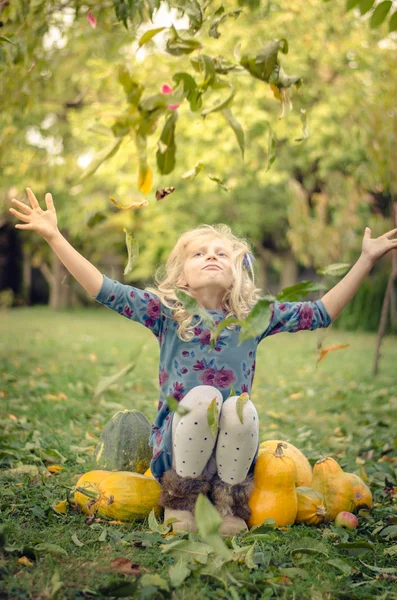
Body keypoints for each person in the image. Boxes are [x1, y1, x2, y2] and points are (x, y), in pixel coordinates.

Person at [9, 188, 397, 536]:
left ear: (237, 274)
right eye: (199, 254)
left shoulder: (254, 317)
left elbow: (321, 313)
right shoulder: (166, 312)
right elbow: (103, 288)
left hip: (232, 458)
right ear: (181, 278)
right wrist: (54, 236)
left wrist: (364, 260)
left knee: (240, 410)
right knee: (206, 396)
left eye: (221, 254)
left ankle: (229, 505)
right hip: (177, 453)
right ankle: (180, 503)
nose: (211, 256)